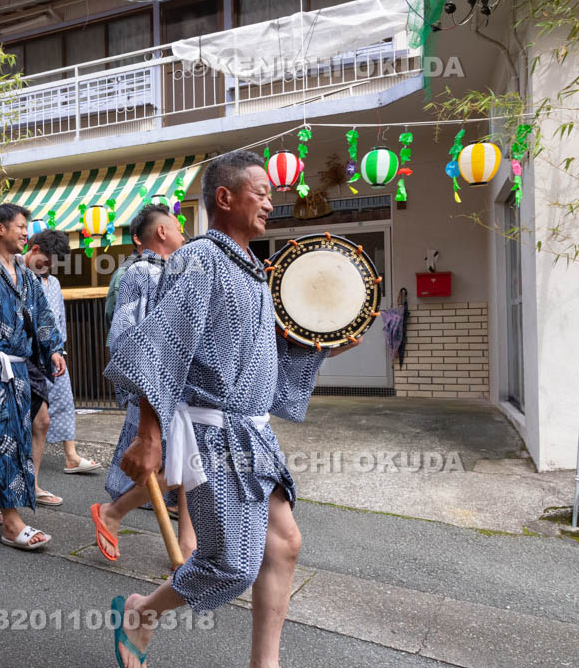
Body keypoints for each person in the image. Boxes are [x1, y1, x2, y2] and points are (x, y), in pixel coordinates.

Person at [103, 151, 361, 668]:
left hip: (252, 433)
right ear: (225, 198)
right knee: (230, 565)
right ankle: (142, 611)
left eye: (270, 193)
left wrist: (323, 343)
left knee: (284, 543)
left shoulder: (254, 271)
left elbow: (265, 352)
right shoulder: (199, 259)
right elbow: (162, 345)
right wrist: (149, 434)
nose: (271, 201)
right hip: (213, 435)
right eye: (260, 192)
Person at [90, 203, 196, 566]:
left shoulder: (177, 271)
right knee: (172, 463)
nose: (183, 233)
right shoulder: (138, 272)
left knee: (191, 460)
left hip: (181, 383)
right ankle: (113, 513)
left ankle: (187, 542)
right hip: (157, 385)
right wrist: (137, 387)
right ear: (162, 232)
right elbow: (124, 334)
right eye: (176, 227)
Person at [0, 203, 66, 551]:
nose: (25, 232)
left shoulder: (26, 276)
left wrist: (52, 348)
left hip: (21, 369)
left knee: (14, 438)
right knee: (1, 439)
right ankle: (11, 520)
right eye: (20, 226)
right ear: (0, 229)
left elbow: (43, 317)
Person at [23, 228, 101, 482]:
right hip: (27, 355)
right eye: (48, 260)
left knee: (64, 401)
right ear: (35, 250)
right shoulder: (20, 277)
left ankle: (71, 455)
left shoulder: (52, 282)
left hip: (54, 354)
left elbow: (58, 320)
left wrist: (60, 349)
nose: (51, 265)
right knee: (31, 412)